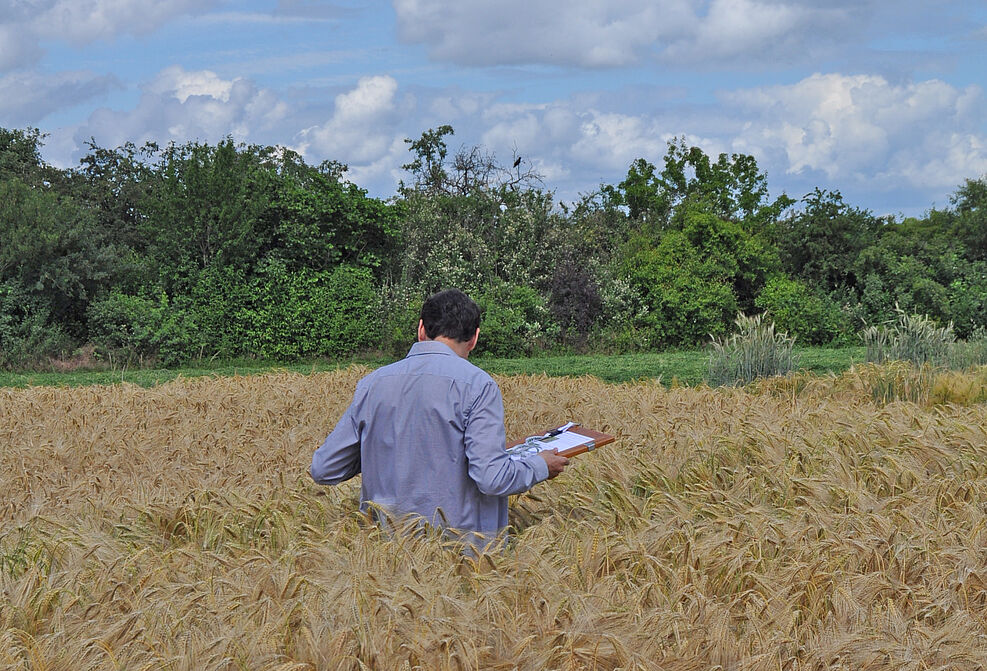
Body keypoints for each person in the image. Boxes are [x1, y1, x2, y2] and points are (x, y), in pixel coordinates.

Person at [309, 288, 568, 547]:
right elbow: (491, 478)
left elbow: (324, 468)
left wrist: (379, 449)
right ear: (474, 338)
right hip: (460, 559)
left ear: (421, 329)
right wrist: (540, 465)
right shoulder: (478, 385)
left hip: (385, 554)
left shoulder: (372, 384)